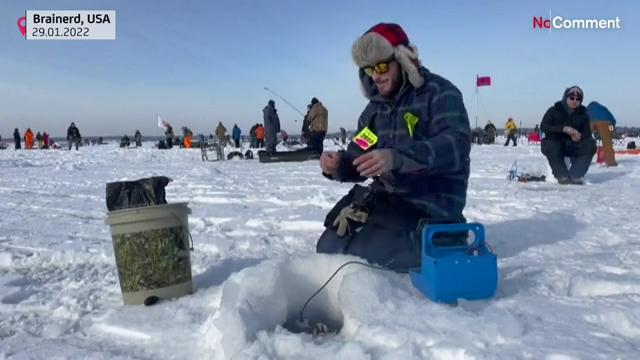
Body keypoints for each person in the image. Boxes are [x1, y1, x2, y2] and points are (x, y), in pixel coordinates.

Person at [316, 23, 471, 272]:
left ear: (403, 59)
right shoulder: (375, 112)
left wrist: (397, 158)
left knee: (358, 263)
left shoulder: (441, 94)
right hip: (388, 202)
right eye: (369, 69)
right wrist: (336, 165)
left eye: (382, 65)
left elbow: (456, 146)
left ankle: (441, 244)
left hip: (431, 208)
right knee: (328, 249)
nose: (376, 75)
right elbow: (358, 155)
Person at [540, 86, 596, 185]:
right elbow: (544, 126)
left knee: (590, 146)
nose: (574, 101)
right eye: (572, 98)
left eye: (578, 99)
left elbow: (587, 135)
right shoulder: (553, 110)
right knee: (551, 145)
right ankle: (561, 175)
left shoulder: (584, 115)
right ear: (566, 97)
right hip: (554, 142)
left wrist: (579, 136)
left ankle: (576, 175)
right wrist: (563, 129)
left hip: (572, 145)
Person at [587, 101, 617, 167]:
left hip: (590, 121)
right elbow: (613, 120)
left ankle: (580, 161)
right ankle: (610, 162)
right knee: (607, 142)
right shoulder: (604, 109)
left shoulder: (588, 108)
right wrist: (612, 128)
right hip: (605, 121)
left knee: (584, 140)